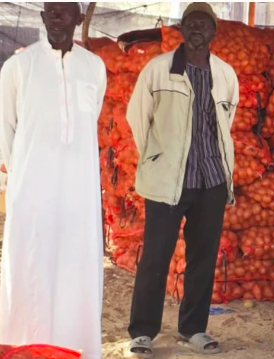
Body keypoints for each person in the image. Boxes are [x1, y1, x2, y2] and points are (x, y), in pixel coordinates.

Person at [125, 2, 239, 357]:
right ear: (181, 29)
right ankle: (143, 332)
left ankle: (194, 329)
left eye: (204, 25)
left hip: (211, 180)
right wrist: (158, 157)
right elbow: (137, 119)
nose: (197, 30)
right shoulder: (158, 70)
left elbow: (226, 120)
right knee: (155, 257)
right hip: (167, 182)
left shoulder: (224, 74)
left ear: (213, 33)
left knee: (202, 259)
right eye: (190, 23)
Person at [0, 3, 106, 358]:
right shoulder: (18, 67)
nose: (56, 18)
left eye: (64, 12)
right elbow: (6, 131)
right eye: (50, 12)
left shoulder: (94, 68)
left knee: (76, 265)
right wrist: (19, 182)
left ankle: (73, 346)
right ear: (42, 18)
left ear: (79, 19)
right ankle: (28, 347)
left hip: (80, 191)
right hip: (32, 189)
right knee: (31, 263)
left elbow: (91, 121)